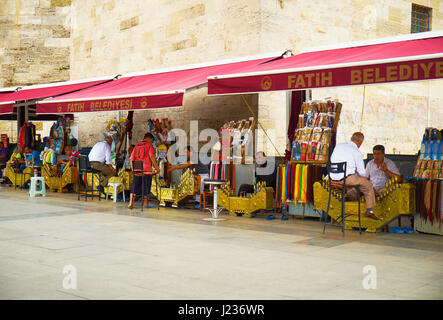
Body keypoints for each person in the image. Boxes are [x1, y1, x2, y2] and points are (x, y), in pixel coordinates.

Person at [329, 132, 378, 220]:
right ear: (360, 143)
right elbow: (362, 173)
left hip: (332, 178)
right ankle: (369, 210)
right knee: (367, 185)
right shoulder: (356, 152)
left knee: (356, 183)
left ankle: (351, 207)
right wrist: (365, 178)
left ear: (351, 138)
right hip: (346, 179)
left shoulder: (339, 146)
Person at [128, 133, 159, 209]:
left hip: (137, 170)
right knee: (146, 186)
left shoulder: (137, 146)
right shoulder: (149, 145)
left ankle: (131, 203)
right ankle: (145, 203)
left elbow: (131, 159)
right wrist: (156, 167)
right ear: (149, 139)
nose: (151, 142)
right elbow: (152, 157)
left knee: (134, 186)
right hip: (146, 170)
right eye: (151, 141)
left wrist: (133, 169)